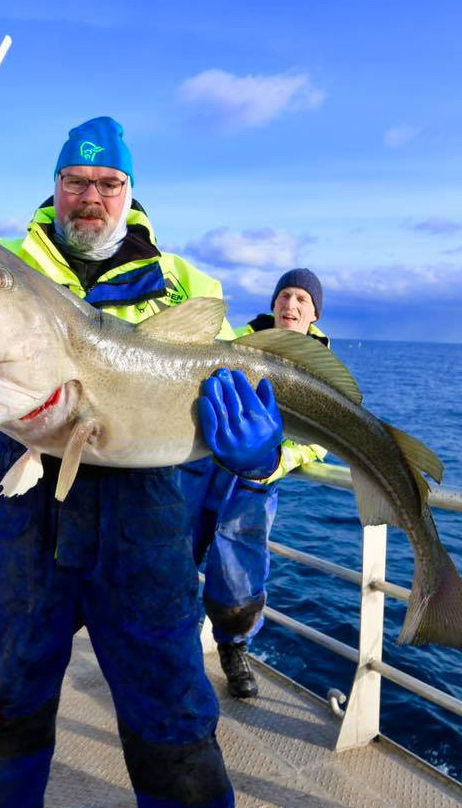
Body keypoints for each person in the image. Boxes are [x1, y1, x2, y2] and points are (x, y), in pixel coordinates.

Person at [0, 116, 284, 808]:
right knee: (11, 711)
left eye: (107, 182)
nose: (90, 197)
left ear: (129, 191)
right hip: (25, 527)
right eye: (76, 181)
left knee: (175, 726)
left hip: (147, 540)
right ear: (56, 186)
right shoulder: (8, 265)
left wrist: (262, 455)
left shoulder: (188, 283)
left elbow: (259, 406)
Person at [179, 268, 330, 700]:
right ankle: (176, 651)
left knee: (238, 579)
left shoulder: (321, 370)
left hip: (250, 485)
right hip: (196, 471)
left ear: (314, 313)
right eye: (285, 295)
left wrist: (280, 461)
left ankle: (234, 650)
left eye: (302, 298)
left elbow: (318, 441)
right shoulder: (237, 343)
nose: (291, 304)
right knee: (173, 563)